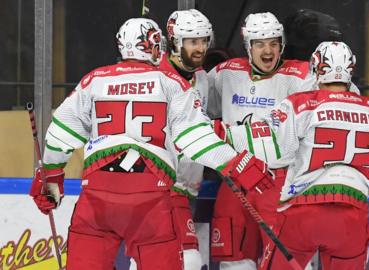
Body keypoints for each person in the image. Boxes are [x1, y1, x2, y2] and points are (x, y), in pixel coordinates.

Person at [28, 17, 273, 270]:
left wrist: (51, 177)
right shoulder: (171, 83)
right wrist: (237, 163)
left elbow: (60, 134)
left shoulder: (94, 80)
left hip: (97, 194)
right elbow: (197, 138)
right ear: (156, 46)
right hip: (151, 197)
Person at [223, 41, 369, 269]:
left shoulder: (301, 104)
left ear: (316, 67)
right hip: (351, 219)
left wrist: (219, 133)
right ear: (350, 69)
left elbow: (269, 146)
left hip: (302, 213)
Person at [207, 12, 318, 270]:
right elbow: (195, 105)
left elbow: (343, 95)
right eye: (260, 44)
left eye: (273, 43)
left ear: (282, 45)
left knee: (288, 261)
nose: (267, 50)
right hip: (233, 179)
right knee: (233, 262)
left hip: (279, 181)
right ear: (249, 47)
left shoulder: (302, 76)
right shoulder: (226, 73)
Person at [164, 9, 213, 270]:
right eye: (193, 41)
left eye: (204, 41)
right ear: (175, 42)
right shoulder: (156, 76)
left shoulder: (202, 78)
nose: (201, 48)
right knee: (187, 258)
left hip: (188, 188)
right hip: (160, 187)